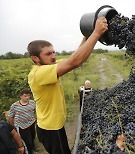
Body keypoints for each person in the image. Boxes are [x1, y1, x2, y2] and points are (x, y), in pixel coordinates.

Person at [27, 16, 108, 154]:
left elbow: (73, 57)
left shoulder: (50, 65)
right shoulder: (39, 73)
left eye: (54, 52)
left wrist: (87, 37)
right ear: (35, 58)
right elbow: (74, 62)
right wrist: (96, 33)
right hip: (49, 129)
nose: (53, 56)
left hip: (55, 125)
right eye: (48, 54)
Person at [8, 90, 37, 154]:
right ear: (21, 96)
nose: (27, 97)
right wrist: (13, 127)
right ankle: (29, 151)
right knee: (27, 140)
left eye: (28, 96)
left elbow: (36, 111)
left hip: (31, 123)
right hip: (22, 126)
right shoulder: (15, 106)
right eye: (25, 96)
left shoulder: (32, 103)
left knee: (32, 136)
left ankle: (33, 146)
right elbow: (11, 117)